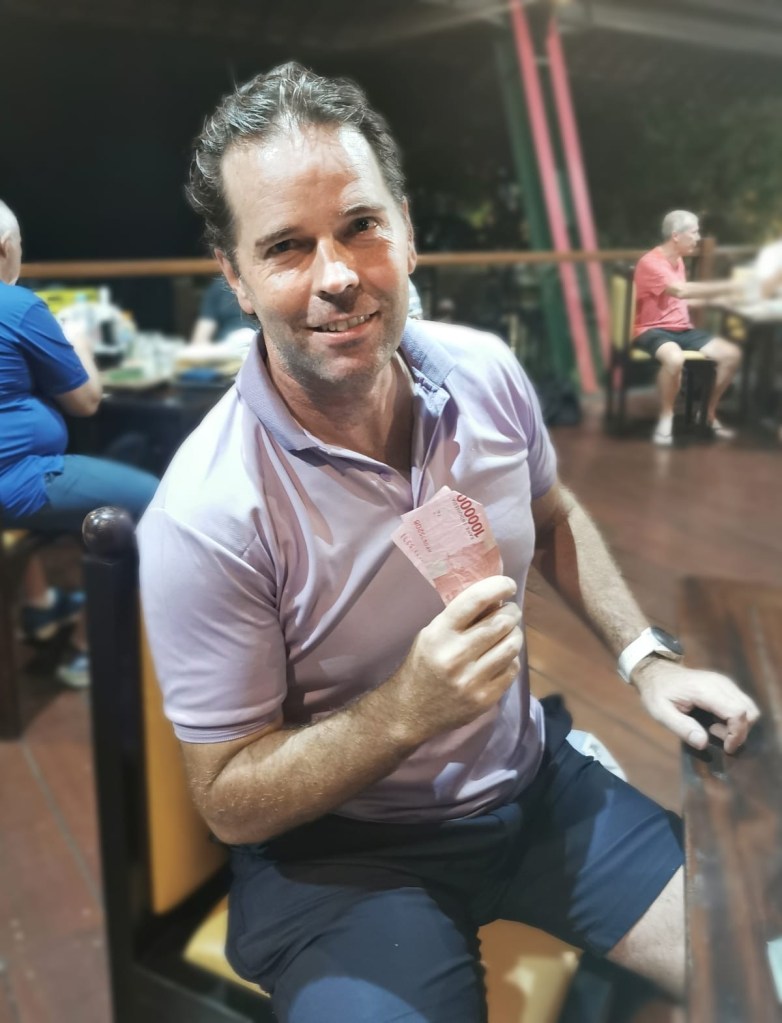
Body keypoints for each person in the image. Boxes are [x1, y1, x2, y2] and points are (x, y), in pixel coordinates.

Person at [138, 65, 759, 1023]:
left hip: (532, 785)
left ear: (407, 229)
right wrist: (405, 710)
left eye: (360, 225)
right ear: (235, 276)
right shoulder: (206, 512)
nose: (337, 275)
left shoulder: (486, 372)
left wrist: (645, 658)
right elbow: (226, 798)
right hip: (343, 857)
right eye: (287, 246)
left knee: (762, 965)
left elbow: (550, 514)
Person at [0, 200, 158, 687]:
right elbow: (86, 401)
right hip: (14, 480)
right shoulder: (17, 305)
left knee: (114, 459)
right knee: (152, 500)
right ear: (4, 249)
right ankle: (92, 650)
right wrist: (80, 343)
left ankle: (40, 607)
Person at [633, 210, 743, 446]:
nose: (698, 238)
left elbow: (680, 300)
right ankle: (666, 416)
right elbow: (681, 291)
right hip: (652, 329)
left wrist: (716, 301)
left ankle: (707, 413)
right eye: (694, 233)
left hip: (683, 329)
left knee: (731, 355)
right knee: (674, 359)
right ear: (676, 236)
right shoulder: (651, 262)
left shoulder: (678, 261)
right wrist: (727, 287)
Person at [189, 275, 255, 344]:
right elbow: (204, 329)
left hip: (257, 340)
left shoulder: (258, 286)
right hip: (226, 344)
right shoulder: (218, 287)